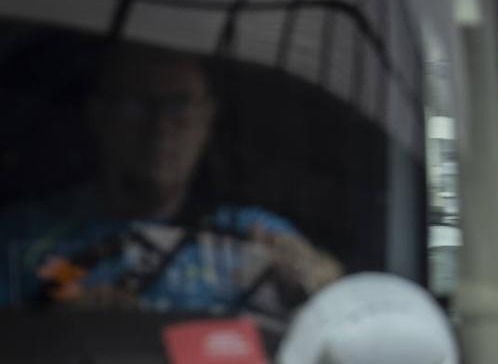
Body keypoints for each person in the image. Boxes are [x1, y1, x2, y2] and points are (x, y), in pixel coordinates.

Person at [0, 41, 341, 312]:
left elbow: (336, 308)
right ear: (98, 115)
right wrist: (52, 329)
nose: (160, 127)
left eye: (179, 105)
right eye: (136, 105)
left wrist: (312, 277)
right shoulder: (24, 239)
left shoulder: (250, 237)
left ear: (208, 118)